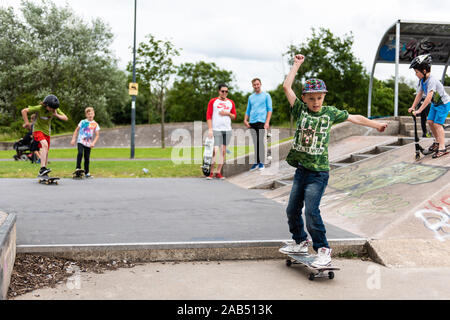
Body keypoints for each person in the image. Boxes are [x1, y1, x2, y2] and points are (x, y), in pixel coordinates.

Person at [280, 54, 387, 268]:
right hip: (301, 171)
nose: (316, 102)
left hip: (318, 174)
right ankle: (301, 241)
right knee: (292, 209)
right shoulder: (299, 109)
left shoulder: (329, 113)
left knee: (311, 211)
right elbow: (286, 87)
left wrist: (375, 125)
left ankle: (323, 249)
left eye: (319, 98)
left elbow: (354, 117)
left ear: (324, 98)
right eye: (311, 99)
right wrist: (297, 65)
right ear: (305, 98)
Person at [408, 54, 450, 158]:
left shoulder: (431, 80)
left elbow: (428, 97)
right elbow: (419, 94)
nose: (416, 74)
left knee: (437, 125)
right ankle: (437, 142)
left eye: (416, 72)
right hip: (435, 104)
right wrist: (413, 107)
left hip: (443, 104)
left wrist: (419, 110)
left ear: (424, 70)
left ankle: (442, 147)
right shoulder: (422, 81)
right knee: (430, 122)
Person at [21, 95, 68, 177]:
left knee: (46, 152)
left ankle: (42, 172)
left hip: (47, 132)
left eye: (54, 109)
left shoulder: (55, 109)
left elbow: (65, 118)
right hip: (37, 130)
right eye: (51, 108)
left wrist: (56, 115)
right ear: (46, 105)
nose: (52, 110)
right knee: (44, 145)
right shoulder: (39, 108)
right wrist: (27, 123)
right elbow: (24, 111)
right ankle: (42, 168)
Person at [206, 84, 237, 180]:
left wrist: (227, 113)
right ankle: (210, 172)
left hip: (227, 130)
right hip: (216, 129)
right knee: (215, 151)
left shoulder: (231, 102)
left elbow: (234, 116)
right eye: (222, 91)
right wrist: (210, 129)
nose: (224, 93)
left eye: (226, 91)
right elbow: (208, 116)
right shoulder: (213, 101)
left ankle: (218, 172)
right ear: (219, 91)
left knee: (223, 152)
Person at [244, 78, 273, 171]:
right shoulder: (251, 97)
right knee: (255, 143)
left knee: (261, 142)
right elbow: (248, 110)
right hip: (252, 122)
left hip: (262, 122)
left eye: (257, 84)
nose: (256, 86)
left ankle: (261, 163)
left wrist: (267, 122)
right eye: (254, 85)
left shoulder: (266, 95)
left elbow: (269, 109)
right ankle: (256, 162)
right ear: (252, 86)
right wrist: (245, 120)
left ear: (260, 84)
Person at [70, 107, 100, 178]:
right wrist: (73, 139)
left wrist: (93, 143)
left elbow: (97, 135)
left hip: (88, 143)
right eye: (88, 114)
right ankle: (78, 168)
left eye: (91, 114)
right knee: (80, 153)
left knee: (87, 158)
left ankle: (87, 172)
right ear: (86, 115)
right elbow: (76, 130)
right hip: (80, 141)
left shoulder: (95, 124)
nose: (90, 115)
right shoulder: (82, 122)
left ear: (94, 114)